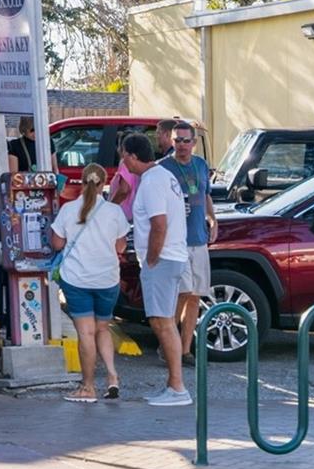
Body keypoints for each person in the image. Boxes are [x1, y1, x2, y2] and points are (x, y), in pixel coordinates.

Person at [49, 163, 131, 403]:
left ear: (82, 183)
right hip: (107, 280)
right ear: (103, 184)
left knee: (86, 333)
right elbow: (121, 246)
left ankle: (87, 388)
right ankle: (113, 377)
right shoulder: (114, 212)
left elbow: (56, 244)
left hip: (77, 279)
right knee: (103, 328)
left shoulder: (67, 210)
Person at [122, 131, 192, 406]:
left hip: (162, 259)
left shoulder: (152, 181)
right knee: (163, 320)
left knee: (162, 322)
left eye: (124, 157)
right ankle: (174, 385)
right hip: (172, 256)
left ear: (132, 156)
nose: (123, 163)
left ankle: (177, 387)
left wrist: (151, 258)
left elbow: (158, 224)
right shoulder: (163, 176)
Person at [166, 121, 218, 362]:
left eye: (186, 141)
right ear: (171, 141)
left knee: (196, 294)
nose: (182, 145)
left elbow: (206, 194)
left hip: (199, 238)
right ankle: (169, 344)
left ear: (194, 143)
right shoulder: (163, 167)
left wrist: (212, 218)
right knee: (182, 292)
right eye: (177, 140)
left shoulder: (200, 164)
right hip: (176, 241)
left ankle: (185, 350)